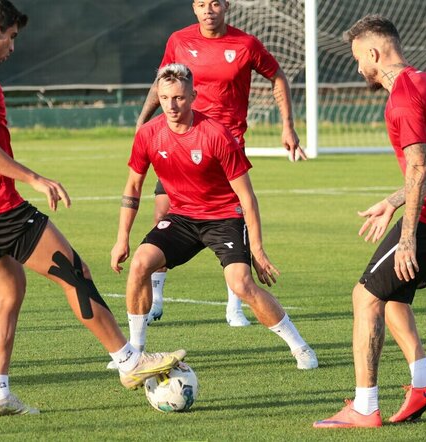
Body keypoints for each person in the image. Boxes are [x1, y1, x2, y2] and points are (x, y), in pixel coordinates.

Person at [0, 0, 185, 417]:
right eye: (11, 37)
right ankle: (129, 361)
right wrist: (35, 178)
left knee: (9, 291)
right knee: (75, 272)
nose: (12, 47)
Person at [313, 15, 426, 428]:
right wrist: (393, 201)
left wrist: (406, 238)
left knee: (365, 296)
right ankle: (424, 382)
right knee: (392, 298)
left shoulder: (402, 95)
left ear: (374, 53)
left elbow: (420, 169)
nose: (358, 69)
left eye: (358, 60)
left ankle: (365, 406)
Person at [110, 63, 317, 371]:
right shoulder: (149, 134)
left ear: (193, 95)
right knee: (140, 263)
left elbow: (247, 198)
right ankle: (135, 354)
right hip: (181, 218)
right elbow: (133, 187)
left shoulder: (216, 134)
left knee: (241, 284)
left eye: (179, 97)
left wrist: (257, 250)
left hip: (224, 217)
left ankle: (300, 347)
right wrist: (121, 239)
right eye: (165, 98)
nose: (171, 105)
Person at [137, 0, 306, 328]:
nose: (208, 10)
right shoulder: (179, 41)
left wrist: (288, 124)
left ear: (226, 6)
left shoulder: (245, 45)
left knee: (231, 220)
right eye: (201, 4)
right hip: (181, 143)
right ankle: (156, 298)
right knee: (162, 215)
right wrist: (143, 121)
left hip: (225, 147)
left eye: (214, 3)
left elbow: (277, 76)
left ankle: (235, 306)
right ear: (194, 8)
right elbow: (163, 84)